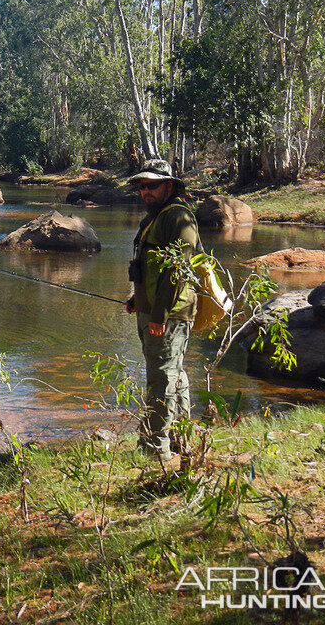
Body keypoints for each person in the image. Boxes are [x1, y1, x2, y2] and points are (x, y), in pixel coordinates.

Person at [124, 159, 199, 462]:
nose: (146, 191)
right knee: (173, 374)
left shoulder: (178, 217)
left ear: (169, 185)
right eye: (142, 186)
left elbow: (178, 270)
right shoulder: (153, 219)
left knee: (161, 379)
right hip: (152, 310)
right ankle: (182, 441)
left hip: (170, 314)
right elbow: (148, 267)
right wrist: (136, 297)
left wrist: (159, 315)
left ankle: (155, 449)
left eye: (152, 185)